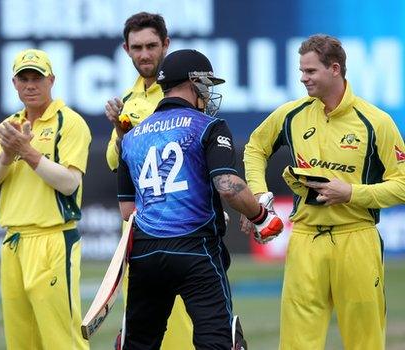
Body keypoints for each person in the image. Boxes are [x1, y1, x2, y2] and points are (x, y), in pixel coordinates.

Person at [243, 34, 405, 349]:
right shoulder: (292, 114)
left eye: (310, 71)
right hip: (304, 238)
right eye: (302, 71)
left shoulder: (375, 122)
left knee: (365, 341)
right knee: (296, 342)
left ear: (334, 69)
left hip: (356, 238)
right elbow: (255, 147)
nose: (302, 78)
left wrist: (352, 194)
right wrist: (259, 195)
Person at [117, 48, 283, 349]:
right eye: (206, 84)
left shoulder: (130, 137)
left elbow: (128, 210)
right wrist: (260, 215)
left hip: (145, 254)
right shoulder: (207, 126)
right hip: (196, 251)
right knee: (218, 341)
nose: (208, 92)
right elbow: (227, 184)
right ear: (192, 82)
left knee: (138, 343)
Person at [0, 49, 91, 349]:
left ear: (51, 80)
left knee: (60, 337)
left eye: (37, 78)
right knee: (21, 340)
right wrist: (7, 153)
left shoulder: (70, 122)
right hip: (14, 240)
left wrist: (27, 152)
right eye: (23, 78)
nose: (30, 85)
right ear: (14, 83)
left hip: (53, 238)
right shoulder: (10, 126)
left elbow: (69, 184)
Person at [104, 12, 198, 349]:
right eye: (137, 47)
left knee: (184, 326)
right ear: (127, 50)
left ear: (166, 45)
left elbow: (201, 148)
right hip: (142, 228)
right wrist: (120, 132)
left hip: (185, 224)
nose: (145, 55)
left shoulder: (187, 91)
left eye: (151, 46)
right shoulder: (126, 102)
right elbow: (115, 163)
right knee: (144, 322)